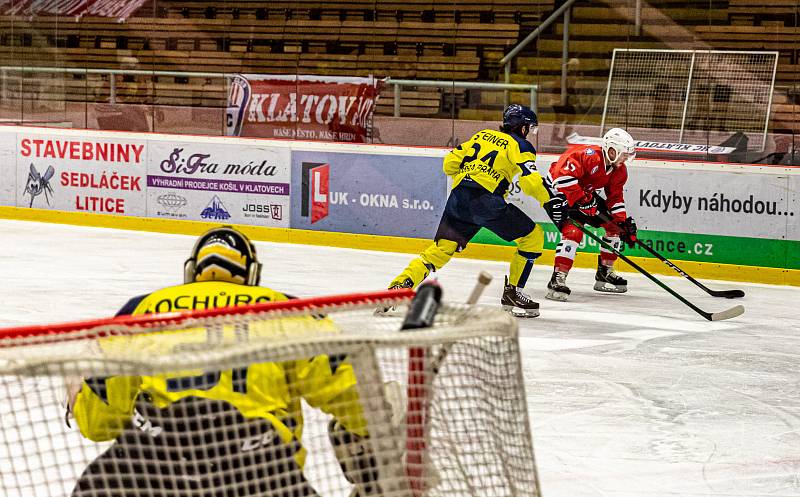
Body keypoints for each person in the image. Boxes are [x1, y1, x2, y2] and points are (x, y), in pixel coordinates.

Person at [68, 226, 381, 497]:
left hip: (154, 461)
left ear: (194, 271)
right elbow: (358, 400)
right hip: (260, 468)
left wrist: (80, 395)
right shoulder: (286, 310)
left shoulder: (143, 309)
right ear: (250, 274)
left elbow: (99, 425)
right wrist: (365, 437)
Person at [387, 104, 565, 318]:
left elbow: (449, 164)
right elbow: (531, 183)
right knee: (533, 237)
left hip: (459, 198)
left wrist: (473, 174)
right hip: (486, 201)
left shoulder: (482, 135)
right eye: (530, 127)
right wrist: (550, 199)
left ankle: (399, 285)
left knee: (440, 251)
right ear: (523, 127)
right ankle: (513, 292)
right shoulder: (522, 145)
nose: (530, 132)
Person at [542, 128, 639, 301]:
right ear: (612, 150)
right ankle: (558, 278)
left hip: (583, 195)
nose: (626, 159)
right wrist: (583, 200)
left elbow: (615, 197)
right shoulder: (586, 155)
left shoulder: (619, 170)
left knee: (615, 227)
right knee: (573, 232)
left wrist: (622, 222)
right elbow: (561, 179)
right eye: (624, 154)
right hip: (557, 193)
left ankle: (605, 271)